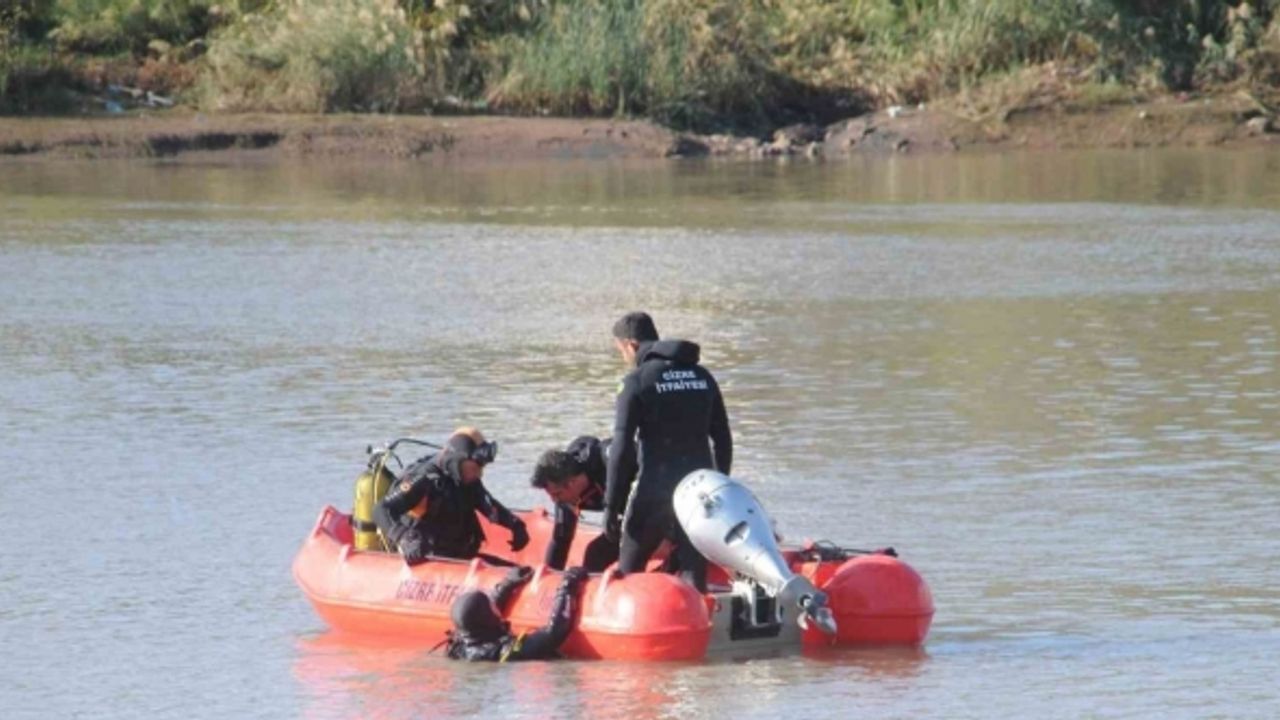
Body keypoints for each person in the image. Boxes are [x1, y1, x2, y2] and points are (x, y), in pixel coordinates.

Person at [603, 312, 732, 592]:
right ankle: (697, 626)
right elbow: (722, 439)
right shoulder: (703, 376)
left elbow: (622, 449)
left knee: (629, 575)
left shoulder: (636, 381)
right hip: (698, 493)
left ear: (631, 346)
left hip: (655, 490)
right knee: (693, 576)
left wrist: (612, 505)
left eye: (621, 351)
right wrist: (720, 488)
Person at [374, 427, 530, 564]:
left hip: (460, 559)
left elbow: (487, 504)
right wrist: (404, 538)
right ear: (458, 460)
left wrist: (515, 524)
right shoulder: (423, 479)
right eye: (475, 468)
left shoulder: (466, 478)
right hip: (429, 562)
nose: (480, 474)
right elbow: (381, 509)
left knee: (519, 574)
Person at [529, 435, 633, 572]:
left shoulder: (609, 462)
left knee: (598, 550)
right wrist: (547, 579)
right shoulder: (565, 492)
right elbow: (561, 540)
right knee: (595, 555)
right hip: (629, 514)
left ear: (571, 483)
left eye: (556, 494)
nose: (554, 501)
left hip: (658, 505)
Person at [445, 565, 589, 662]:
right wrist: (567, 586)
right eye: (490, 606)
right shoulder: (505, 652)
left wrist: (507, 585)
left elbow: (481, 616)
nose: (494, 607)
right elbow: (554, 633)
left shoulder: (459, 647)